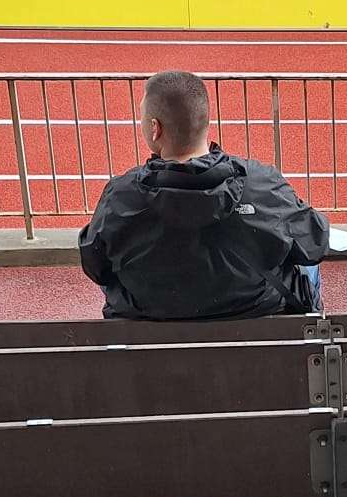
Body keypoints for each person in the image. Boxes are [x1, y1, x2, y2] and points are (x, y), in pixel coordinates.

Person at [80, 71, 330, 322]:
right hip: (255, 321)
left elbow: (96, 266)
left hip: (152, 328)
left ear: (155, 128)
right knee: (304, 263)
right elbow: (314, 242)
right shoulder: (263, 182)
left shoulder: (121, 195)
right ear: (205, 121)